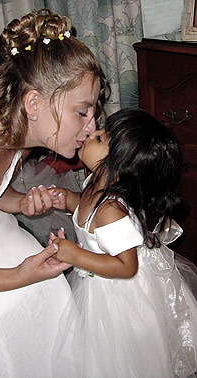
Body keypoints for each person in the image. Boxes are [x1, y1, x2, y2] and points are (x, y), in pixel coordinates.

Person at [0, 8, 106, 378]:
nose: (93, 125)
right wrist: (18, 275)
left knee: (51, 293)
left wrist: (18, 201)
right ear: (35, 103)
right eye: (82, 112)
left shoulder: (19, 124)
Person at [46, 108, 197, 378]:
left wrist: (75, 255)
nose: (92, 133)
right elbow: (86, 209)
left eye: (102, 138)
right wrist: (69, 199)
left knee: (119, 357)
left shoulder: (111, 210)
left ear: (118, 166)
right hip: (99, 282)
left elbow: (127, 266)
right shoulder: (96, 180)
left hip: (119, 294)